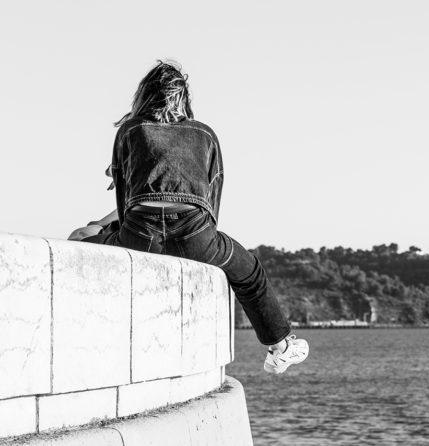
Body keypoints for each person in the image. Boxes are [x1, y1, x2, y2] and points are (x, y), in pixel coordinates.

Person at [71, 60, 307, 374]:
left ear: (144, 96)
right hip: (197, 236)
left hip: (139, 235)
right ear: (183, 98)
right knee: (249, 272)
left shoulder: (130, 130)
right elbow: (214, 197)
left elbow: (126, 197)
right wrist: (205, 241)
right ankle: (280, 346)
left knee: (83, 240)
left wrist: (111, 226)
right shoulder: (204, 134)